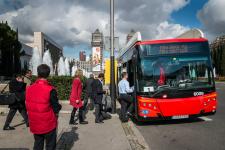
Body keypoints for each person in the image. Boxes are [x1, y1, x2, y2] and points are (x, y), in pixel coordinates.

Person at [26, 64, 62, 150]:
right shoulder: (50, 89)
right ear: (48, 75)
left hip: (34, 122)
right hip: (48, 123)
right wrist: (59, 106)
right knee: (50, 145)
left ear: (38, 73)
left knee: (38, 144)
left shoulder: (29, 88)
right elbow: (56, 107)